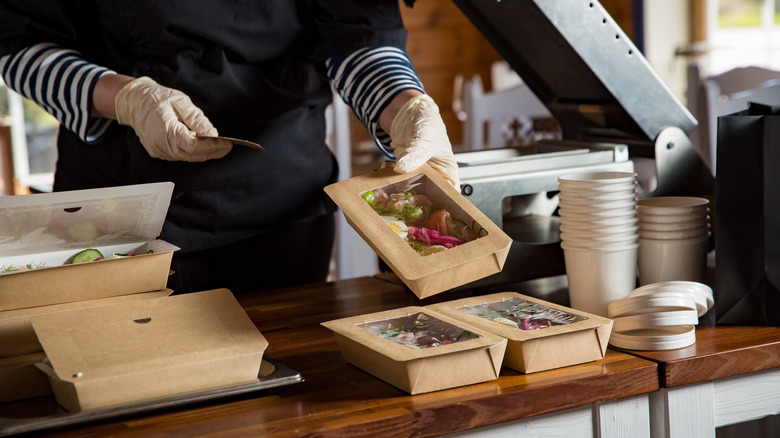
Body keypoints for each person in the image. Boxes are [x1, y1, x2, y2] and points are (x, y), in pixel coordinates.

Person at [0, 1, 459, 294]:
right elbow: (18, 49)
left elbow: (357, 34)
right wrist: (124, 96)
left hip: (280, 209)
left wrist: (404, 105)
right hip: (117, 208)